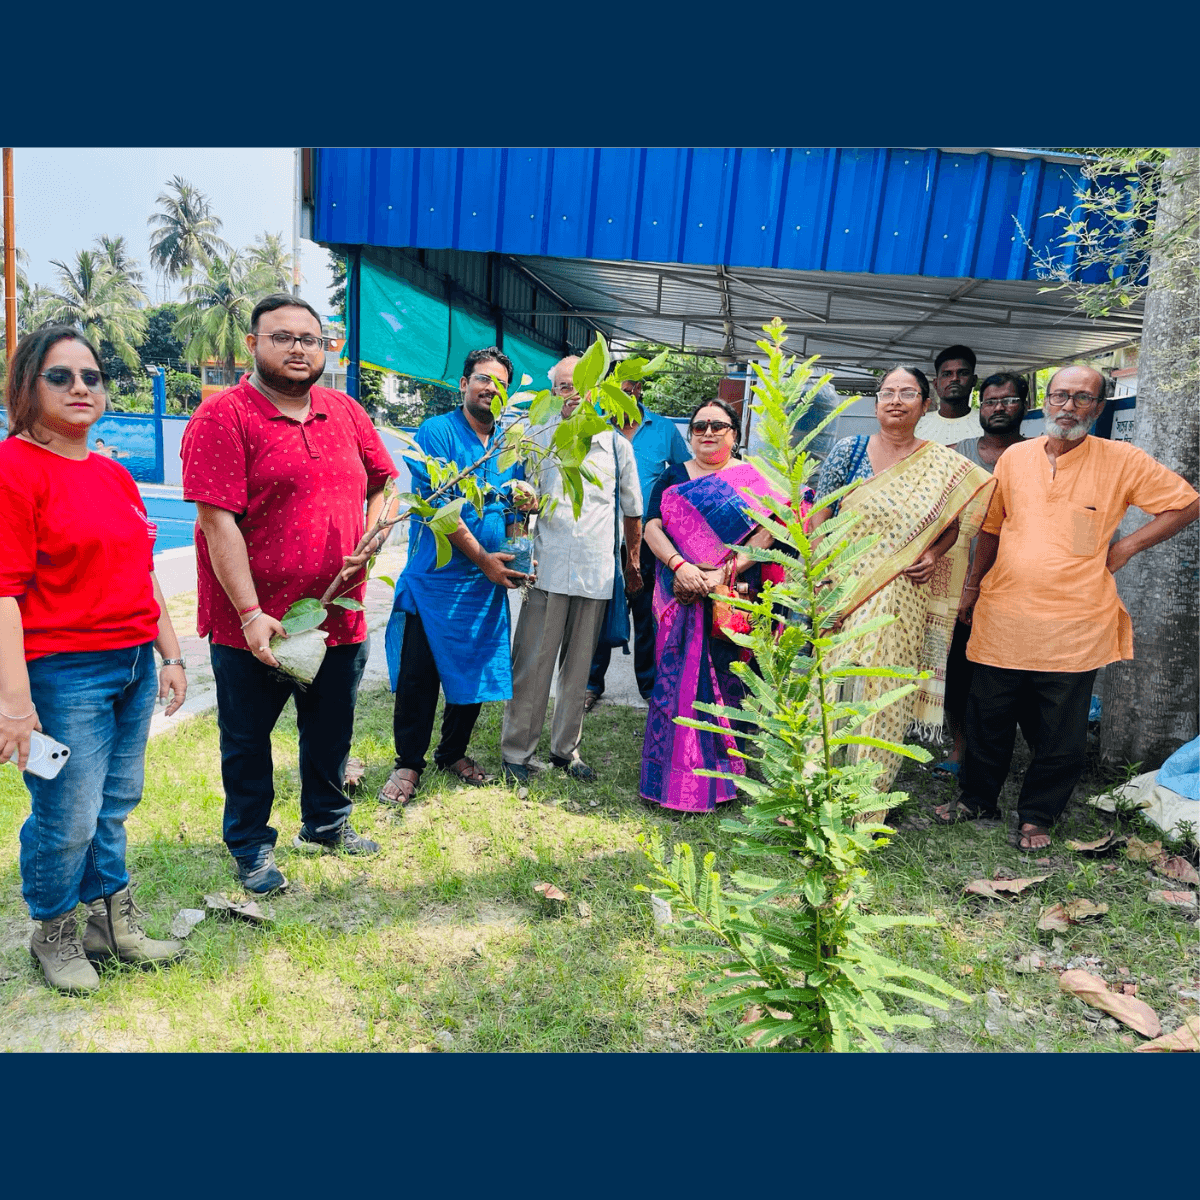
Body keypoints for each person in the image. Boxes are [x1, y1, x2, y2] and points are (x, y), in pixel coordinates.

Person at [181, 294, 398, 893]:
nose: (299, 348)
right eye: (282, 337)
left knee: (331, 730)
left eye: (310, 338)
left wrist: (373, 536)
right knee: (247, 742)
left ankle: (326, 824)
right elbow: (216, 522)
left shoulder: (345, 411)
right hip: (256, 624)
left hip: (337, 613)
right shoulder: (223, 417)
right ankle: (250, 845)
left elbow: (383, 483)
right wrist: (251, 612)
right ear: (253, 345)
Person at [0, 326, 188, 993]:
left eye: (92, 376)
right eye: (61, 376)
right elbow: (4, 594)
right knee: (68, 812)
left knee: (114, 804)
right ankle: (52, 929)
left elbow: (142, 570)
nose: (81, 387)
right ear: (26, 385)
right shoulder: (13, 469)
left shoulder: (113, 473)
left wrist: (170, 654)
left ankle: (111, 924)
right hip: (63, 673)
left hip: (132, 663)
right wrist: (15, 706)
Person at [943, 364, 1199, 850]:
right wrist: (972, 588)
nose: (1069, 406)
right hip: (1004, 614)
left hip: (1074, 621)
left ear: (1099, 407)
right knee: (987, 716)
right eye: (1060, 396)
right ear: (1046, 402)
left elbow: (1186, 503)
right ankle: (976, 800)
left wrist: (1127, 548)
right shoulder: (1015, 458)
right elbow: (992, 528)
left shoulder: (1121, 459)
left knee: (1059, 731)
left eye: (1082, 398)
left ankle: (1037, 816)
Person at [810, 366, 995, 815]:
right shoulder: (849, 451)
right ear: (876, 402)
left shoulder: (941, 465)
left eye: (907, 393)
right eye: (887, 392)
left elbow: (952, 527)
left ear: (925, 405)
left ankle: (866, 804)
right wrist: (822, 577)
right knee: (833, 688)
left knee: (884, 693)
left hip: (904, 597)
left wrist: (933, 554)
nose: (895, 400)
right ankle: (815, 796)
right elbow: (820, 515)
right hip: (845, 590)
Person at [378, 348, 534, 805]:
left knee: (473, 670)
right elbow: (441, 510)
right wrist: (485, 559)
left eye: (501, 384)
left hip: (484, 584)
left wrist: (521, 532)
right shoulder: (437, 432)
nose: (491, 389)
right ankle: (408, 762)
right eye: (483, 379)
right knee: (419, 676)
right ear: (464, 384)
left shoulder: (509, 444)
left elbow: (515, 508)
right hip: (435, 581)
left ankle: (452, 752)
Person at [639, 399, 794, 812]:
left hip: (732, 593)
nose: (708, 432)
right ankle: (673, 775)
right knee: (674, 683)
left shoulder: (752, 478)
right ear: (691, 434)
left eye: (718, 425)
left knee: (729, 682)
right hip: (681, 591)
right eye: (700, 426)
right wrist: (680, 565)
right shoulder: (674, 475)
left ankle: (724, 778)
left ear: (735, 434)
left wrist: (723, 572)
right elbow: (652, 526)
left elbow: (769, 530)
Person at [501, 356, 642, 783]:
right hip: (546, 568)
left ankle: (566, 750)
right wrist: (518, 545)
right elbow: (515, 499)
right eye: (564, 386)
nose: (573, 393)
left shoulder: (616, 445)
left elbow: (633, 510)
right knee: (532, 665)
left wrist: (633, 562)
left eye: (581, 385)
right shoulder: (536, 437)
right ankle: (517, 752)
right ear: (553, 393)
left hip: (596, 572)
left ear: (596, 390)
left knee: (579, 671)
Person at [935, 371, 1031, 778]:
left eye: (1008, 400)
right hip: (958, 583)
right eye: (991, 401)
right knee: (957, 672)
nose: (999, 408)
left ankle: (1004, 752)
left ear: (1025, 405)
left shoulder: (1038, 455)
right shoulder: (955, 455)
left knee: (1007, 677)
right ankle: (960, 749)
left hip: (1016, 585)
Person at [585, 374, 691, 710]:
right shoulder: (594, 428)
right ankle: (590, 684)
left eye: (627, 392)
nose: (621, 399)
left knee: (646, 615)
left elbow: (684, 476)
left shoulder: (663, 430)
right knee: (598, 610)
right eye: (613, 393)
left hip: (646, 539)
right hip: (602, 536)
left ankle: (649, 687)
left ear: (639, 391)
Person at [915, 344, 983, 445]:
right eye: (946, 374)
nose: (954, 378)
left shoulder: (987, 424)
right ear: (935, 383)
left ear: (974, 380)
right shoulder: (916, 425)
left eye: (963, 373)